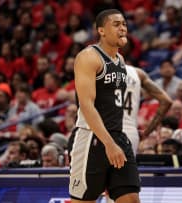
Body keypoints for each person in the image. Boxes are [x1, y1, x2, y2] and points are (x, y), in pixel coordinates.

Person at [69, 9, 140, 203]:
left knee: (131, 198)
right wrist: (108, 144)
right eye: (116, 24)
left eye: (124, 24)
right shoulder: (88, 57)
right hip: (91, 137)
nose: (123, 28)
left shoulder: (121, 61)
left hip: (118, 135)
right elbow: (86, 105)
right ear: (101, 30)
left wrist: (114, 141)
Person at [124, 64, 172, 154]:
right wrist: (146, 132)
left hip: (105, 131)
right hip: (130, 134)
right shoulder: (138, 73)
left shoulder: (97, 70)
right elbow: (166, 101)